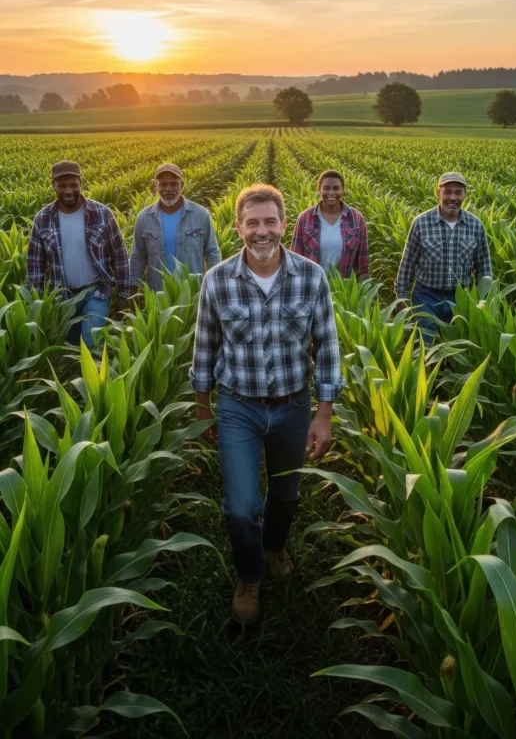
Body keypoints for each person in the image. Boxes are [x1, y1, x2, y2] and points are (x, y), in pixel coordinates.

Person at [191, 184, 344, 625]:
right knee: (241, 507)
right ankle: (250, 574)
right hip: (238, 404)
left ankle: (275, 545)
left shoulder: (311, 276)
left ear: (284, 224)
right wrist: (203, 410)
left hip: (294, 404)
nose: (262, 232)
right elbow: (205, 348)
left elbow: (328, 346)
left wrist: (323, 413)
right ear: (238, 227)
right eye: (252, 223)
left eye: (270, 222)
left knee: (286, 495)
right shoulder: (217, 279)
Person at [26, 160, 130, 348]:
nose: (68, 191)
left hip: (96, 292)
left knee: (91, 346)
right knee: (71, 349)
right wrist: (37, 302)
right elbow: (35, 263)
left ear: (81, 184)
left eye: (73, 185)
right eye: (62, 185)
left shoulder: (102, 214)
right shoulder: (43, 219)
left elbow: (119, 255)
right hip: (63, 297)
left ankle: (94, 374)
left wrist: (123, 295)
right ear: (53, 186)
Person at [395, 171, 492, 338]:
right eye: (447, 191)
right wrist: (401, 297)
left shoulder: (475, 225)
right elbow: (407, 262)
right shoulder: (421, 223)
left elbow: (484, 267)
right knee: (428, 345)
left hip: (461, 298)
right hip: (426, 296)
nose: (453, 198)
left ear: (464, 195)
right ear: (438, 192)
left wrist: (484, 299)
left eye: (458, 192)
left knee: (457, 350)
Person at [130, 163, 221, 291]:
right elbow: (138, 257)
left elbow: (212, 253)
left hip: (192, 293)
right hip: (158, 293)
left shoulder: (200, 214)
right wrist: (130, 290)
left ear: (182, 185)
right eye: (163, 184)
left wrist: (215, 286)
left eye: (173, 184)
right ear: (155, 186)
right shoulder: (144, 218)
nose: (168, 189)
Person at [290, 170, 369, 279]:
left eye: (336, 188)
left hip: (345, 289)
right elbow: (295, 259)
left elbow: (362, 263)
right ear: (319, 190)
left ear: (342, 190)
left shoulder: (356, 218)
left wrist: (364, 290)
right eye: (326, 188)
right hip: (313, 286)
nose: (331, 192)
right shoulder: (305, 218)